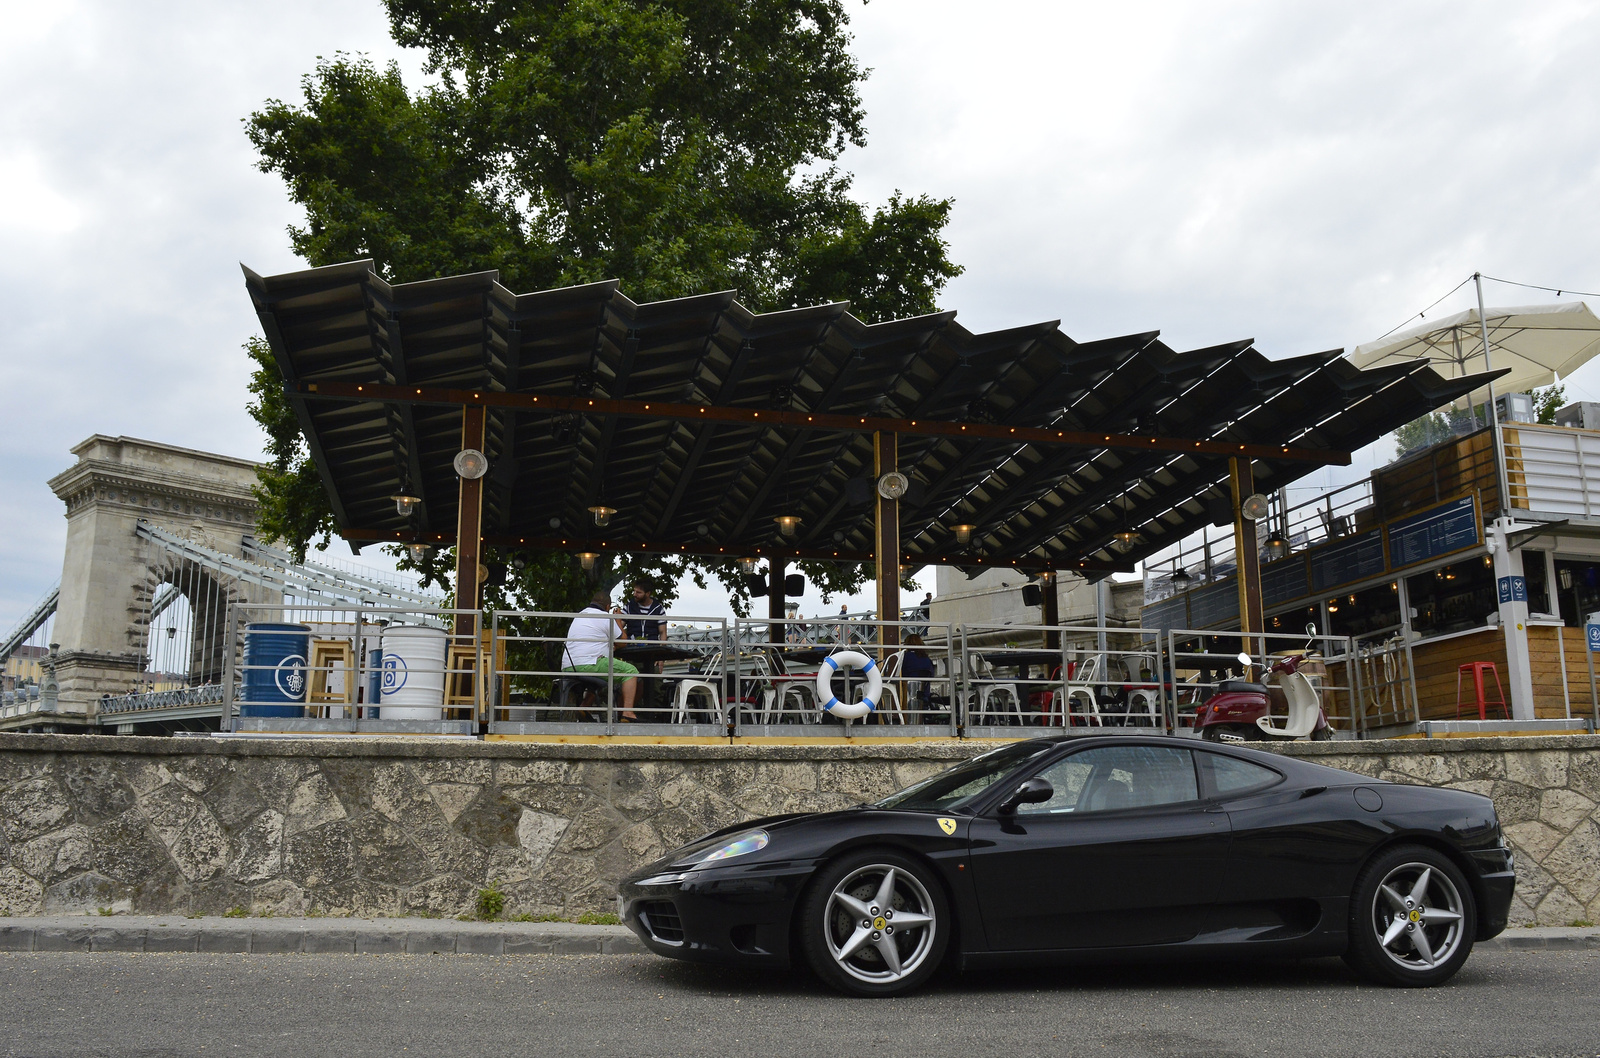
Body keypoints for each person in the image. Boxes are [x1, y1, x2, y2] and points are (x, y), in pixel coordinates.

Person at [562, 589, 638, 721]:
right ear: (607, 607)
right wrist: (618, 620)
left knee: (600, 676)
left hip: (568, 665)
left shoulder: (580, 615)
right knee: (630, 671)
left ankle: (585, 706)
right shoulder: (605, 617)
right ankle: (628, 713)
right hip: (589, 664)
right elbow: (623, 641)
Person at [901, 633, 937, 719]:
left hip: (907, 696)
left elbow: (901, 674)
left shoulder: (905, 658)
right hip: (924, 697)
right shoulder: (927, 659)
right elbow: (931, 676)